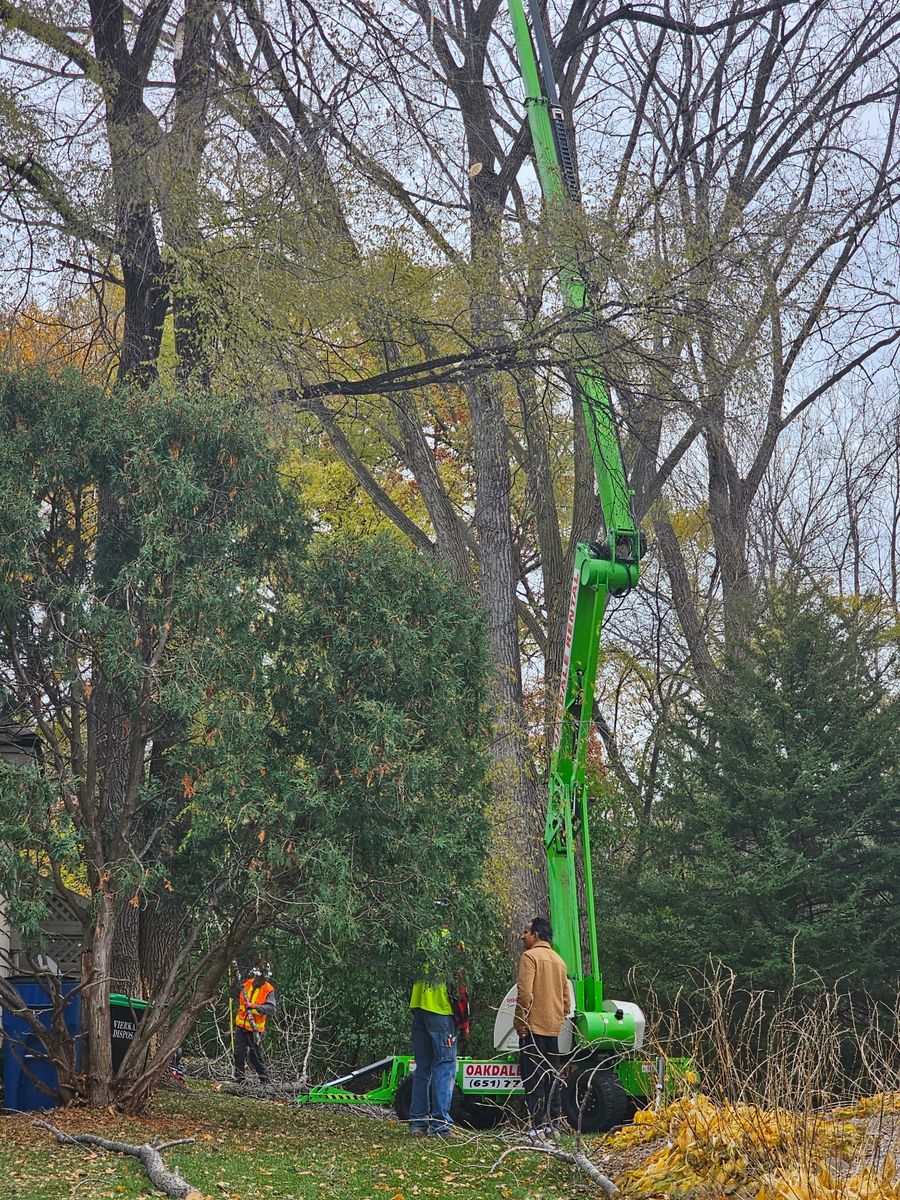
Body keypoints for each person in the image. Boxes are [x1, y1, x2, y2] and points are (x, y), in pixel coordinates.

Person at [514, 916, 569, 1141]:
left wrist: (520, 1022)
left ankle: (536, 1127)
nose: (522, 936)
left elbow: (524, 993)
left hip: (533, 1028)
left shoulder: (530, 957)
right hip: (553, 1030)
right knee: (552, 1077)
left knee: (533, 1078)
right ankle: (553, 1126)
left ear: (535, 935)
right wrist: (559, 1019)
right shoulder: (559, 961)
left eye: (526, 933)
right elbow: (566, 999)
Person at [408, 928, 459, 1139]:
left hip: (419, 1005)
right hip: (440, 1008)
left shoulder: (422, 934)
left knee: (423, 1067)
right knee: (445, 1066)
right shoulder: (453, 939)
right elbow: (460, 978)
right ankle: (440, 1125)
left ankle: (418, 1123)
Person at [232, 960, 277, 1085]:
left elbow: (271, 1009)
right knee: (238, 1054)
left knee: (255, 1057)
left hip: (255, 1030)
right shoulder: (247, 983)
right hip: (241, 1026)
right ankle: (239, 1081)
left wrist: (254, 1007)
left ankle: (265, 1082)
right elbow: (235, 994)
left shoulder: (268, 990)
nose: (259, 979)